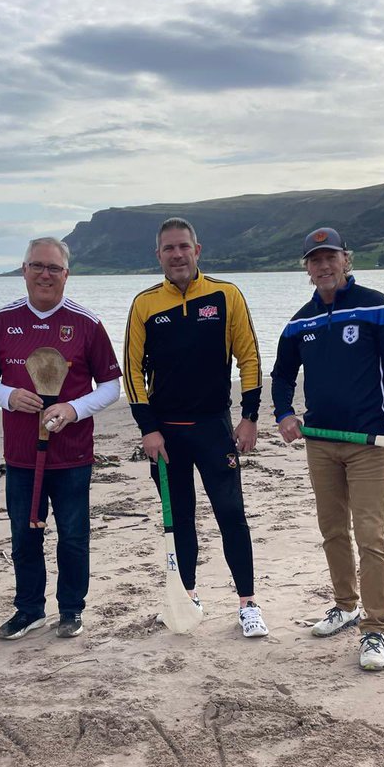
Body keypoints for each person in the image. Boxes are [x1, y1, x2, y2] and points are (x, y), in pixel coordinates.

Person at [271, 227, 384, 672]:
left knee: (371, 537)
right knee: (333, 530)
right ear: (307, 268)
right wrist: (284, 414)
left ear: (346, 260)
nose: (323, 266)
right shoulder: (299, 322)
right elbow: (281, 376)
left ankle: (374, 630)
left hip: (369, 443)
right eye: (315, 260)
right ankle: (345, 605)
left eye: (331, 257)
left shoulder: (376, 306)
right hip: (321, 443)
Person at [123, 217, 268, 638]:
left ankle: (247, 604)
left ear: (197, 250)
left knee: (231, 515)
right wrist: (147, 428)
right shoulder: (144, 304)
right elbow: (132, 371)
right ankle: (187, 597)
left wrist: (250, 416)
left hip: (213, 428)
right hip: (166, 436)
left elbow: (250, 358)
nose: (177, 254)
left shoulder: (226, 295)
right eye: (168, 248)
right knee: (179, 519)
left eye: (183, 246)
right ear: (159, 255)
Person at [0, 237, 120, 640]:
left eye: (54, 268)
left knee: (73, 536)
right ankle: (29, 610)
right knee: (25, 533)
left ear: (66, 274)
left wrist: (73, 409)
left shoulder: (86, 323)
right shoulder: (1, 322)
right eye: (37, 266)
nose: (45, 274)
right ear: (23, 270)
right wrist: (8, 396)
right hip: (21, 453)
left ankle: (71, 609)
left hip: (72, 454)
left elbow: (110, 386)